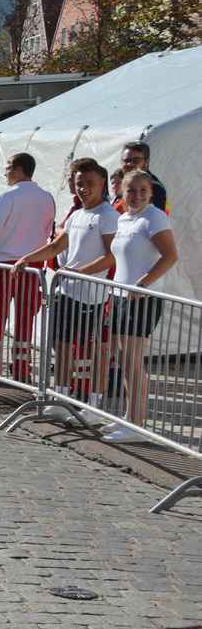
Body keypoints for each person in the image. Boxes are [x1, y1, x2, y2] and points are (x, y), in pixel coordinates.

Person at [13, 159, 116, 413]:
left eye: (89, 184)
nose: (83, 189)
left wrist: (79, 272)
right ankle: (60, 398)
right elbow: (58, 246)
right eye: (79, 184)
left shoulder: (108, 215)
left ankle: (93, 405)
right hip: (66, 292)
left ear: (102, 183)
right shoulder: (77, 214)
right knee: (61, 346)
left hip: (93, 297)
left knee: (95, 352)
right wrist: (28, 257)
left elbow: (111, 255)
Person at [102, 170, 178, 442]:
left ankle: (136, 425)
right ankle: (129, 416)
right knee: (123, 358)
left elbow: (170, 256)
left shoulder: (154, 217)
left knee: (133, 360)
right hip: (121, 296)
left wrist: (143, 285)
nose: (136, 196)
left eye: (142, 190)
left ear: (150, 192)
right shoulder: (123, 218)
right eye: (131, 190)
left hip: (142, 298)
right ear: (122, 192)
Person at [0, 152, 57, 383]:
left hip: (4, 264)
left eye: (7, 168)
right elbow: (47, 231)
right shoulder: (47, 198)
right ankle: (22, 369)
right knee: (26, 319)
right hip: (33, 265)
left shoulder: (6, 197)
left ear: (18, 169)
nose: (5, 173)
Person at [115, 141, 167, 213]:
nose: (130, 164)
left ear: (146, 162)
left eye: (136, 160)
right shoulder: (125, 183)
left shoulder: (154, 186)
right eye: (126, 160)